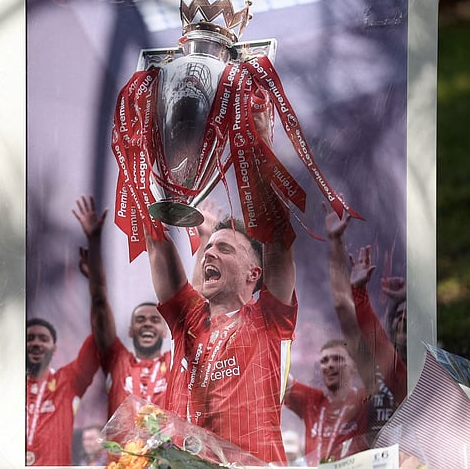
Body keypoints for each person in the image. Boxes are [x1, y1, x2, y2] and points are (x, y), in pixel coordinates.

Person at [144, 210, 297, 464]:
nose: (209, 253)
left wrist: (252, 174)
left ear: (254, 273)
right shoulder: (188, 320)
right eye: (210, 247)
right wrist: (146, 178)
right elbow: (156, 242)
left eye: (225, 249)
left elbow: (279, 244)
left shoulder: (268, 320)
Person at [72, 195, 171, 416]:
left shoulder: (174, 365)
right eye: (140, 320)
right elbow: (99, 302)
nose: (147, 324)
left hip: (168, 451)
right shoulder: (118, 360)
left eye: (155, 320)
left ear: (165, 330)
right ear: (130, 330)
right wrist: (94, 241)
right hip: (122, 451)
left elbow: (198, 302)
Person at [324, 205, 407, 443]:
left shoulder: (426, 378)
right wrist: (335, 242)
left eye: (410, 320)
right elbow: (343, 307)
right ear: (390, 326)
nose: (404, 326)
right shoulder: (375, 373)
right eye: (400, 318)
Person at [25, 317, 99, 466]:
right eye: (30, 338)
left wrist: (98, 301)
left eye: (43, 339)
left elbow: (95, 345)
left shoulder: (67, 380)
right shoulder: (10, 384)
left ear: (54, 348)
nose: (36, 343)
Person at [283, 339, 369, 465]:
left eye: (337, 359)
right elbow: (280, 377)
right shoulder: (312, 400)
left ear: (354, 366)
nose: (329, 365)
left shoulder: (364, 399)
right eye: (324, 361)